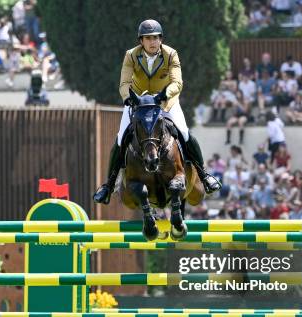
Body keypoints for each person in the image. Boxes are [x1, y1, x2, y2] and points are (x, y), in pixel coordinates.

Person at [93, 19, 220, 204]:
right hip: (138, 104)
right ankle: (109, 185)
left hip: (165, 103)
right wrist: (128, 98)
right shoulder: (131, 55)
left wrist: (164, 95)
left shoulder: (171, 54)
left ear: (160, 39)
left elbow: (177, 82)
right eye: (148, 38)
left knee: (185, 134)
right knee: (121, 138)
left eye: (156, 37)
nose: (153, 41)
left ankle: (204, 175)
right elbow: (124, 83)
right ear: (141, 41)